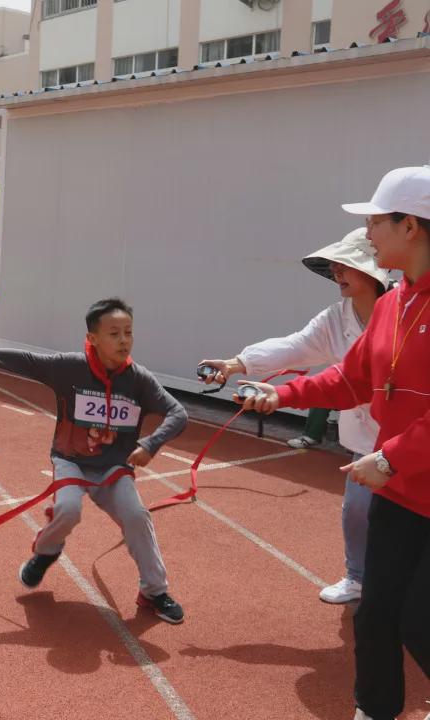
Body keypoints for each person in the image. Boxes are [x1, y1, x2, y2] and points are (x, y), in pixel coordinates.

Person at [237, 165, 430, 720]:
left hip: (410, 479)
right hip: (401, 492)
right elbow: (352, 380)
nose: (367, 234)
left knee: (419, 619)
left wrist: (391, 457)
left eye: (374, 221)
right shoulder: (393, 304)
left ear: (410, 225)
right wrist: (284, 394)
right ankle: (373, 710)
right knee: (375, 615)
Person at [0, 298, 188, 624]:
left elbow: (178, 413)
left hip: (113, 467)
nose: (124, 340)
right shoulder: (70, 368)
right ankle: (46, 553)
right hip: (71, 460)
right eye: (114, 334)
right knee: (68, 509)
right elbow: (29, 361)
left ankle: (154, 590)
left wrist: (152, 443)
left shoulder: (139, 380)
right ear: (92, 338)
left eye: (128, 332)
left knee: (137, 515)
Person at [199, 227, 390, 604]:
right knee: (357, 510)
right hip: (366, 436)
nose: (336, 272)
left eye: (345, 265)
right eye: (334, 266)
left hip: (409, 434)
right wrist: (237, 364)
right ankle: (357, 576)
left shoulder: (404, 308)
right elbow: (296, 347)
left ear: (372, 269)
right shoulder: (336, 318)